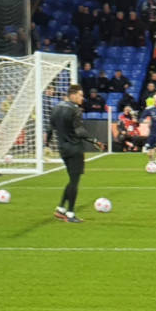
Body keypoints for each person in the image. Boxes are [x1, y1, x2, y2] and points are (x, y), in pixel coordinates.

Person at [48, 84, 102, 223]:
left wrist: (46, 145)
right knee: (74, 181)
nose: (82, 98)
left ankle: (60, 209)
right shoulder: (75, 109)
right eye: (80, 95)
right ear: (72, 95)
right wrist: (94, 140)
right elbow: (79, 131)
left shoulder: (56, 108)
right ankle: (70, 213)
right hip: (75, 148)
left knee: (72, 180)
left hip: (62, 149)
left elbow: (50, 129)